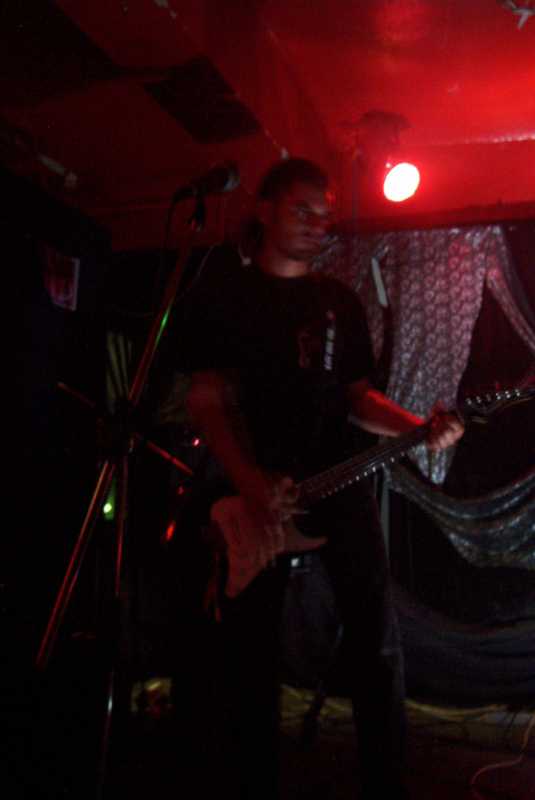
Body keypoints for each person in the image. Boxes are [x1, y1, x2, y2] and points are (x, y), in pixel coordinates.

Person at [175, 157, 464, 800]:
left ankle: (385, 781)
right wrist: (249, 482)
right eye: (301, 210)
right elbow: (206, 398)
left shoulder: (337, 302)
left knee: (376, 641)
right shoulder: (223, 297)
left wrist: (419, 427)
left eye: (324, 214)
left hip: (340, 485)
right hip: (258, 493)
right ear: (265, 209)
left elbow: (357, 398)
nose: (316, 223)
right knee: (250, 653)